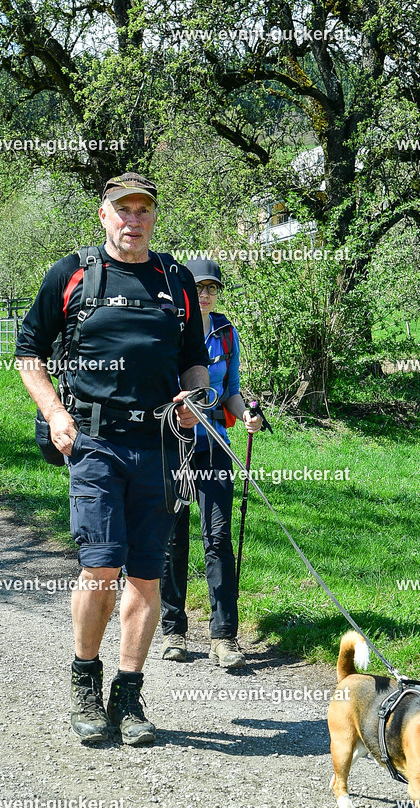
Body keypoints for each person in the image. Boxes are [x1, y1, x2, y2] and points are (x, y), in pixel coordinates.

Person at [15, 172, 210, 747]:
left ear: (153, 216)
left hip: (158, 446)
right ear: (104, 215)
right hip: (94, 442)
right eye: (122, 209)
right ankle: (84, 681)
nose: (133, 219)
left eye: (143, 209)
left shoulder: (175, 280)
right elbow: (29, 350)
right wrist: (55, 413)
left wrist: (193, 400)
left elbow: (195, 359)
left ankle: (129, 695)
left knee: (147, 575)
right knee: (101, 567)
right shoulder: (72, 273)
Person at [159, 258, 262, 669]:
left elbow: (232, 390)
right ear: (186, 290)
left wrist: (248, 415)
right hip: (174, 444)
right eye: (198, 286)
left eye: (211, 288)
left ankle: (224, 637)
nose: (205, 294)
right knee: (173, 539)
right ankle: (174, 630)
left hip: (216, 444)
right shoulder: (170, 327)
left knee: (218, 538)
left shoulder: (225, 331)